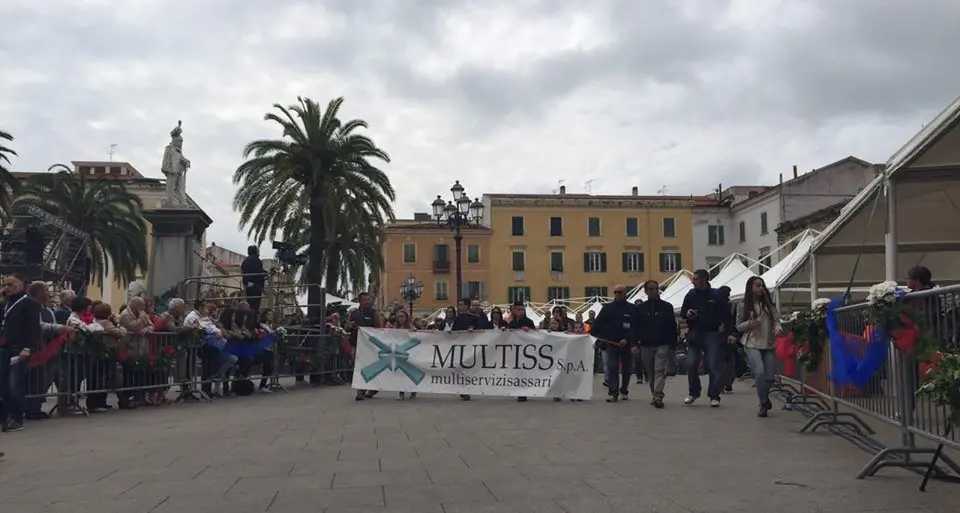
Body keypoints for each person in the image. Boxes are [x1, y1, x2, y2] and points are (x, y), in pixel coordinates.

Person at [680, 269, 734, 407]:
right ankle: (694, 392)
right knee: (691, 364)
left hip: (712, 333)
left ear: (704, 280)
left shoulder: (716, 295)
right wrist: (688, 313)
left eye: (696, 279)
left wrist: (730, 333)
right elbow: (683, 312)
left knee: (713, 365)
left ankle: (714, 395)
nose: (693, 281)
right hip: (695, 333)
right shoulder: (690, 294)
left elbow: (726, 316)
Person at [736, 276, 782, 417]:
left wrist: (778, 328)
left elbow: (776, 320)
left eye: (762, 285)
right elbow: (738, 326)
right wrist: (749, 324)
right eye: (757, 285)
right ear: (750, 287)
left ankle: (765, 397)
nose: (761, 288)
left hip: (768, 343)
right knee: (760, 371)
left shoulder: (769, 305)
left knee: (769, 376)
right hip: (751, 343)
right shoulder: (742, 306)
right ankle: (763, 402)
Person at [632, 280, 677, 409]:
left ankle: (658, 395)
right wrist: (634, 344)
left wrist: (672, 345)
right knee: (650, 372)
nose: (653, 291)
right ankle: (655, 394)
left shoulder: (667, 307)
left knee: (659, 370)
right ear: (645, 291)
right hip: (646, 345)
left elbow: (672, 327)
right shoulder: (640, 309)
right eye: (650, 289)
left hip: (662, 343)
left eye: (656, 289)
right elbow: (635, 328)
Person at [592, 284, 636, 403]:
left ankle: (624, 390)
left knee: (627, 369)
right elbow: (597, 324)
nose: (617, 294)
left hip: (626, 343)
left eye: (620, 292)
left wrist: (627, 339)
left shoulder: (632, 308)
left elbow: (635, 326)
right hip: (611, 342)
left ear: (625, 293)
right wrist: (601, 336)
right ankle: (613, 392)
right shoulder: (607, 308)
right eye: (615, 292)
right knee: (612, 367)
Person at [451, 298, 491, 401]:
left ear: (466, 306)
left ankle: (468, 388)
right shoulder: (458, 318)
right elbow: (454, 331)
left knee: (471, 369)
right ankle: (464, 390)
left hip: (472, 347)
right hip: (461, 347)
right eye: (459, 304)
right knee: (462, 369)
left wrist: (473, 331)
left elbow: (482, 330)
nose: (459, 306)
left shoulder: (475, 318)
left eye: (461, 304)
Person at [346, 292, 382, 400]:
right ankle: (369, 388)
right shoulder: (353, 313)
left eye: (368, 299)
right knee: (356, 367)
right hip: (356, 344)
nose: (367, 302)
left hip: (369, 346)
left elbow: (379, 328)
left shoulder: (373, 313)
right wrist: (349, 326)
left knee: (364, 367)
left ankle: (361, 390)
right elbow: (346, 328)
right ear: (359, 301)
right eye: (365, 300)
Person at [506, 301, 537, 403]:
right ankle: (518, 390)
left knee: (525, 372)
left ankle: (524, 392)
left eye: (522, 309)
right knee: (517, 371)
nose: (521, 311)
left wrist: (529, 331)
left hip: (527, 351)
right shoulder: (511, 323)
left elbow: (536, 336)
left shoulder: (529, 322)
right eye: (519, 309)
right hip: (515, 350)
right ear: (514, 310)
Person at [716, 285, 740, 394]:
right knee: (729, 361)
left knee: (722, 361)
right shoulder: (732, 306)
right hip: (729, 335)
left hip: (721, 335)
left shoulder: (717, 305)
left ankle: (722, 383)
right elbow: (734, 321)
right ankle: (728, 383)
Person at [392, 309, 419, 401]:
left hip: (409, 353)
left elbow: (416, 336)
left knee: (410, 373)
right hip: (399, 353)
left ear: (406, 317)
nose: (400, 318)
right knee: (400, 373)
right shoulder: (395, 327)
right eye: (399, 316)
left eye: (402, 316)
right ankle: (401, 392)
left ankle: (413, 391)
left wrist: (414, 331)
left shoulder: (411, 326)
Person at [241, 245, 266, 312]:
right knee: (255, 306)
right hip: (255, 286)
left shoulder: (245, 261)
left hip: (247, 285)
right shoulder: (256, 260)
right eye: (258, 250)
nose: (259, 252)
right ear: (255, 251)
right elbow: (258, 271)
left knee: (250, 304)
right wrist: (265, 273)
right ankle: (253, 320)